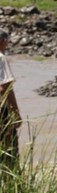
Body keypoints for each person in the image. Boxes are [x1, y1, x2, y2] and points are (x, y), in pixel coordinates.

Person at [0, 29, 21, 167]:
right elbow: (4, 88)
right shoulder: (1, 58)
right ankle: (10, 184)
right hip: (2, 113)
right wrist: (15, 113)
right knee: (9, 152)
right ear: (3, 41)